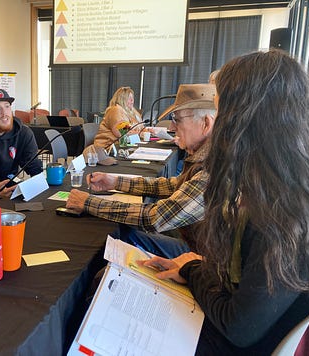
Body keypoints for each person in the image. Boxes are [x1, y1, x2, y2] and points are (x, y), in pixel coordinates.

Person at [143, 50, 309, 354]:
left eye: (220, 113)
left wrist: (193, 270)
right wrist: (193, 270)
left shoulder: (282, 214)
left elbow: (239, 327)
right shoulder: (281, 189)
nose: (215, 126)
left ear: (246, 122)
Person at [67, 84, 216, 257]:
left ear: (206, 123)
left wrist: (88, 202)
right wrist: (116, 182)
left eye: (177, 119)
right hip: (196, 243)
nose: (173, 128)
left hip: (200, 256)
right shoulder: (116, 111)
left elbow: (155, 218)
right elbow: (173, 185)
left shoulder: (213, 167)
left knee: (121, 236)